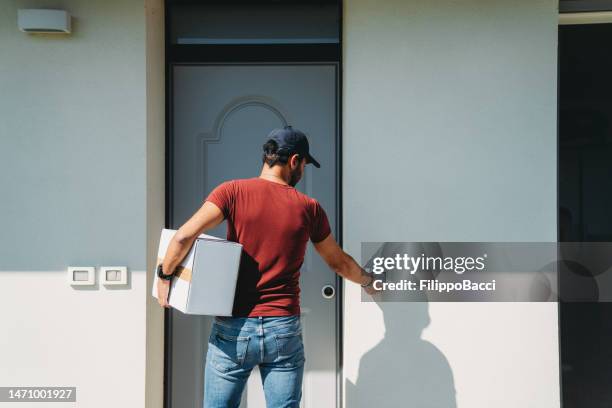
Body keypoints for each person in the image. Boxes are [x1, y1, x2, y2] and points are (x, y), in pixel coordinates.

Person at [157, 125, 379, 408]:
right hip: (282, 328)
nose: (302, 172)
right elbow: (339, 263)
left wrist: (165, 275)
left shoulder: (231, 192)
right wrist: (369, 282)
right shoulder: (309, 208)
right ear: (295, 160)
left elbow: (184, 237)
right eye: (304, 165)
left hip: (234, 327)